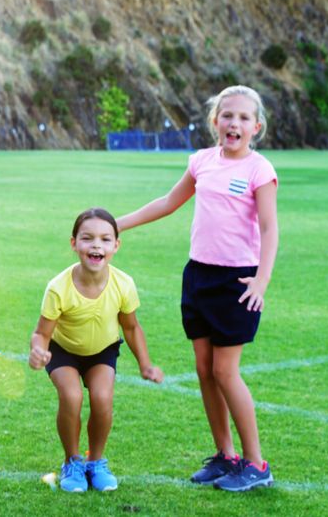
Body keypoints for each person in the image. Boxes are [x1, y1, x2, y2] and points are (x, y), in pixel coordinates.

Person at [116, 85, 279, 492]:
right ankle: (226, 456)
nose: (234, 124)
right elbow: (168, 202)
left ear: (255, 127)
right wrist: (118, 224)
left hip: (238, 280)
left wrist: (262, 279)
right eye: (227, 116)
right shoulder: (202, 161)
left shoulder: (260, 169)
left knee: (226, 371)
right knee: (205, 370)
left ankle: (257, 464)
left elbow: (269, 227)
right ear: (214, 122)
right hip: (199, 277)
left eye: (243, 118)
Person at [29, 208, 164, 493]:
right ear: (74, 243)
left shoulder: (123, 284)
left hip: (103, 350)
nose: (96, 245)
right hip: (63, 351)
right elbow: (42, 333)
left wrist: (146, 364)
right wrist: (38, 351)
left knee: (102, 397)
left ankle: (96, 461)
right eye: (87, 238)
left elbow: (131, 327)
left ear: (116, 245)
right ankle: (72, 462)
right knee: (72, 395)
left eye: (105, 239)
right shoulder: (58, 287)